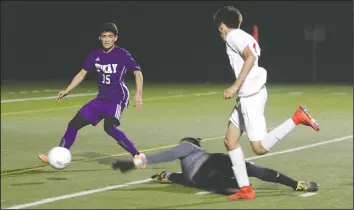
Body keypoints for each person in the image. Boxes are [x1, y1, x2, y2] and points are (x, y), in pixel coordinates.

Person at [212, 6, 320, 199]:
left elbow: (251, 57)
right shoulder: (242, 35)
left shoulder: (233, 36)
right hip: (249, 95)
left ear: (221, 25)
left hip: (250, 96)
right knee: (230, 141)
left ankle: (297, 118)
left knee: (259, 148)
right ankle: (246, 189)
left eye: (218, 27)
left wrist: (235, 86)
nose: (218, 31)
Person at [38, 22, 145, 163]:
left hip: (117, 97)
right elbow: (82, 74)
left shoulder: (122, 54)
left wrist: (138, 93)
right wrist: (67, 90)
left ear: (115, 38)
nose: (107, 39)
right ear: (99, 38)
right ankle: (58, 155)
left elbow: (137, 72)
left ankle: (137, 155)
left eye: (110, 36)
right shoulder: (95, 55)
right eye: (104, 36)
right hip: (101, 98)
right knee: (74, 124)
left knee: (109, 128)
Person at [113, 137, 319, 194]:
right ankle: (295, 184)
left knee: (230, 184)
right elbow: (169, 153)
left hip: (200, 180)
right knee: (249, 169)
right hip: (211, 165)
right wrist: (143, 160)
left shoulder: (186, 170)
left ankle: (231, 187)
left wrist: (166, 176)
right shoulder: (189, 147)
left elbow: (181, 178)